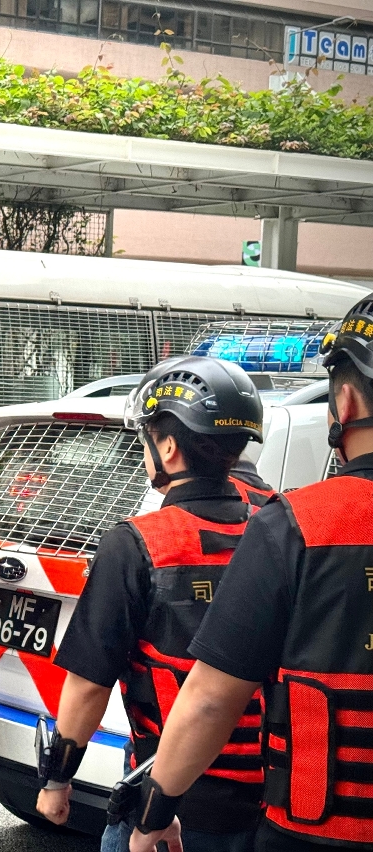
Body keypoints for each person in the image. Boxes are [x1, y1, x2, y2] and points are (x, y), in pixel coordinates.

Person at [130, 303, 373, 852]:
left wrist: (154, 813)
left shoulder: (295, 525)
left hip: (315, 833)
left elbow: (211, 699)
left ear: (346, 402)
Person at [35, 356, 272, 852]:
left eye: (147, 438)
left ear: (167, 447)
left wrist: (57, 780)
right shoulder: (277, 530)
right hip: (272, 802)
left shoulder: (137, 544)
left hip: (165, 805)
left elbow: (89, 684)